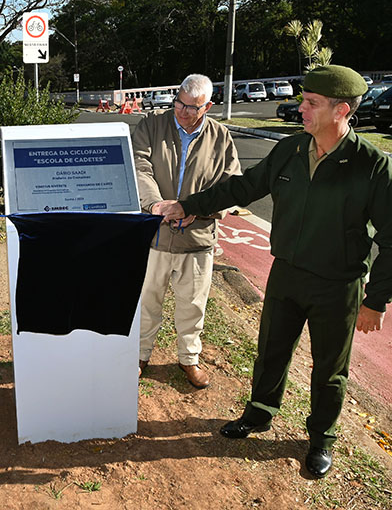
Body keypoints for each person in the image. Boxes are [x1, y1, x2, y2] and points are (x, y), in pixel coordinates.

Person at [156, 65, 391, 478]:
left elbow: (391, 239)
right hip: (286, 273)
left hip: (338, 286)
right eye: (303, 99)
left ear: (341, 110)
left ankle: (321, 439)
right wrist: (188, 204)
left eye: (311, 103)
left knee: (329, 369)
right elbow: (242, 188)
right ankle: (260, 413)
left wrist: (375, 301)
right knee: (271, 352)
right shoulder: (291, 150)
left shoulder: (372, 166)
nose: (301, 108)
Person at [132, 74, 241, 388]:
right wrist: (155, 204)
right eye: (178, 102)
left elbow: (231, 186)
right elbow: (140, 166)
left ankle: (188, 358)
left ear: (207, 106)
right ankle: (140, 355)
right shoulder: (151, 126)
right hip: (153, 233)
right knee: (146, 299)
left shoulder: (221, 138)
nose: (181, 111)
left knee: (192, 304)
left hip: (197, 239)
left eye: (191, 107)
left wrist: (196, 209)